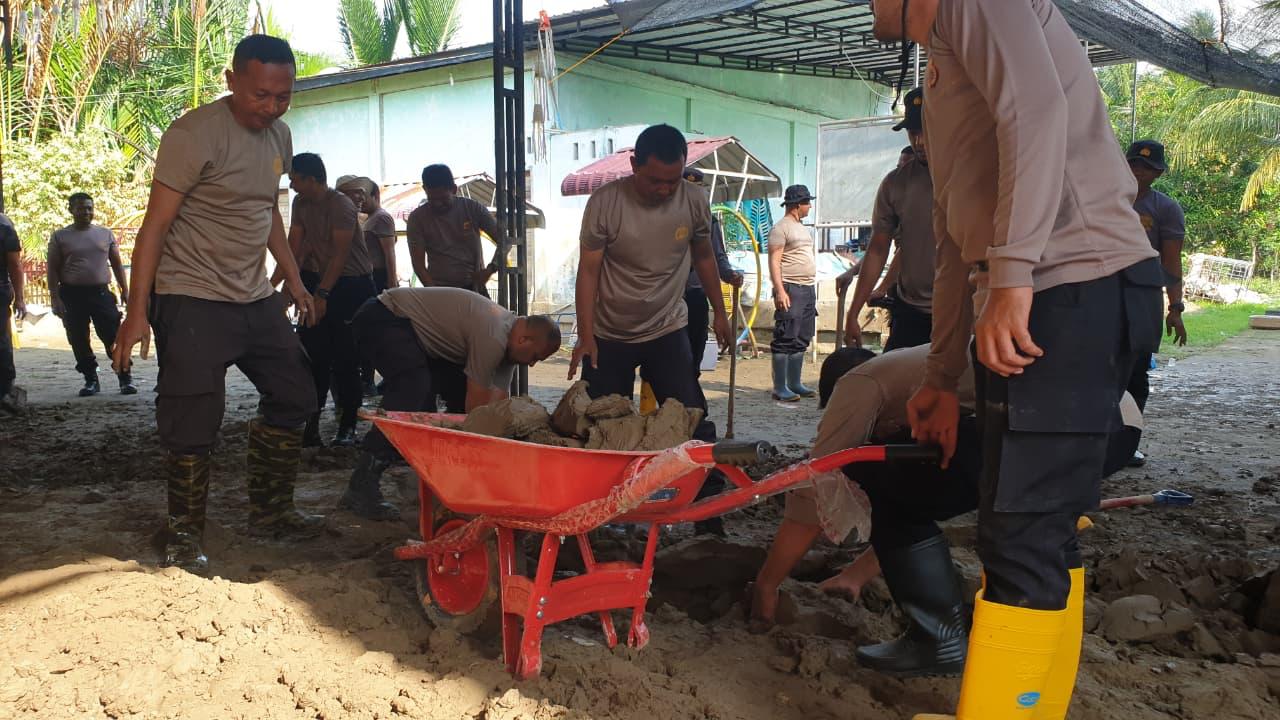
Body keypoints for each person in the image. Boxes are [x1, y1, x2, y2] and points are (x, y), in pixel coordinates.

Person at [872, 2, 1164, 718]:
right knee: (1038, 529)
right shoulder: (943, 63)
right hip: (1051, 288)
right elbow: (951, 239)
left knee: (1023, 533)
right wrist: (940, 376)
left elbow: (1035, 114)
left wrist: (1013, 274)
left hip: (1072, 285)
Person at [752, 344, 1144, 677]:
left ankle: (937, 640)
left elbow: (814, 486)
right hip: (1115, 428)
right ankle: (1033, 647)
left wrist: (767, 585)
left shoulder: (858, 383)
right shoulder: (913, 368)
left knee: (874, 474)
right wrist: (855, 575)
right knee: (946, 492)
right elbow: (927, 499)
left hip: (1054, 423)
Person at [112, 34, 324, 575]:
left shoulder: (280, 134)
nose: (272, 107)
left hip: (253, 295)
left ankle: (270, 512)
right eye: (260, 95)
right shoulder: (193, 134)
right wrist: (138, 311)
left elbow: (266, 211)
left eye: (283, 96)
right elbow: (154, 225)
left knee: (297, 392)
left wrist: (295, 281)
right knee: (193, 417)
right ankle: (184, 535)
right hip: (190, 295)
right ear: (231, 81)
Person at [341, 287, 561, 518]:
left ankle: (444, 474)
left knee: (449, 391)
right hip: (383, 317)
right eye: (535, 357)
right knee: (412, 386)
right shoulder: (493, 335)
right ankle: (361, 484)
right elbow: (477, 408)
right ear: (523, 339)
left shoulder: (508, 348)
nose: (533, 365)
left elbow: (496, 407)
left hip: (415, 336)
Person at [568, 123, 731, 432]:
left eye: (673, 180)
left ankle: (703, 480)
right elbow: (588, 271)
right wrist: (586, 336)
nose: (665, 189)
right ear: (634, 166)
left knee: (690, 417)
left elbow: (704, 256)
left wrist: (719, 312)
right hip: (610, 333)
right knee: (601, 423)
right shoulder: (605, 203)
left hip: (666, 327)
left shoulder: (694, 200)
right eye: (655, 181)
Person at [286, 154, 376, 446]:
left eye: (295, 178)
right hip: (319, 280)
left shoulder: (341, 205)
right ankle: (311, 425)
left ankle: (347, 426)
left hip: (351, 284)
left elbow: (341, 254)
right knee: (313, 356)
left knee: (346, 358)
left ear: (311, 179)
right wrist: (287, 285)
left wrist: (322, 295)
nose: (291, 183)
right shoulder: (300, 203)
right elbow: (295, 247)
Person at [843, 88, 935, 352]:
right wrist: (854, 312)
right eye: (913, 132)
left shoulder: (970, 178)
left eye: (926, 131)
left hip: (962, 311)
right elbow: (878, 250)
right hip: (911, 313)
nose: (919, 141)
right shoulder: (895, 184)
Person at [1126, 140, 1188, 464]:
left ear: (1159, 173)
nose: (1139, 171)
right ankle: (1095, 443)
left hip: (1144, 299)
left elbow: (1172, 262)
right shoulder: (1101, 202)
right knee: (1097, 372)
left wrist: (1175, 308)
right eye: (1134, 163)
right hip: (1102, 297)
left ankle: (1126, 444)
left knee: (1135, 374)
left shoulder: (1166, 209)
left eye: (1147, 167)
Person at [47, 193, 136, 396]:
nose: (86, 212)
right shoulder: (60, 236)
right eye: (80, 208)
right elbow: (52, 269)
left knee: (113, 335)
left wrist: (125, 290)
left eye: (89, 208)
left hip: (101, 294)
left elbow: (116, 264)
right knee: (78, 338)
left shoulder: (105, 234)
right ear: (71, 210)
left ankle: (125, 377)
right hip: (71, 295)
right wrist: (55, 297)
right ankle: (90, 380)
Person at [336, 175, 397, 396]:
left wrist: (391, 283)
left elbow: (389, 253)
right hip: (361, 278)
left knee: (373, 332)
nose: (360, 198)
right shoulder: (364, 218)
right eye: (355, 193)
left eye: (363, 193)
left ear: (374, 195)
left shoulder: (381, 218)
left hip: (376, 278)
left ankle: (374, 380)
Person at [407, 164, 501, 295]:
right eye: (432, 199)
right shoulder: (417, 219)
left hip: (474, 289)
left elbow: (505, 241)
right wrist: (435, 293)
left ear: (454, 189)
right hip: (439, 290)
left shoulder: (473, 209)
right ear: (424, 189)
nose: (438, 204)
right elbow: (418, 265)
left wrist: (491, 269)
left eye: (443, 199)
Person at [768, 185, 819, 402]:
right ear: (798, 205)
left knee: (802, 336)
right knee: (785, 335)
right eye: (808, 202)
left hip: (807, 288)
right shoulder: (781, 228)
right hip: (790, 287)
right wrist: (780, 290)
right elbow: (774, 260)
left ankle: (794, 383)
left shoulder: (801, 227)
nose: (810, 206)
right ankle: (780, 387)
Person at [0, 211, 25, 410]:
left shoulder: (4, 227)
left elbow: (15, 265)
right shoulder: (5, 226)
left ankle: (5, 390)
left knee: (1, 341)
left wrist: (20, 298)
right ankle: (5, 390)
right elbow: (15, 265)